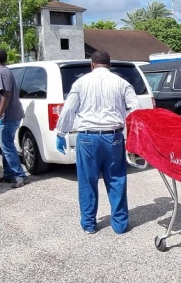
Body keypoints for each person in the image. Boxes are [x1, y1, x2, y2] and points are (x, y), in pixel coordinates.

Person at [55, 51, 140, 234]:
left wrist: (61, 133)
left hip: (87, 138)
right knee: (116, 179)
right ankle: (120, 225)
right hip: (114, 137)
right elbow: (136, 109)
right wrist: (134, 134)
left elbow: (68, 110)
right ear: (109, 65)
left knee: (87, 181)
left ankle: (89, 224)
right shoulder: (122, 83)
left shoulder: (80, 83)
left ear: (92, 64)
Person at [0, 48, 27, 189]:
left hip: (7, 117)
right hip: (6, 116)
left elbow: (5, 95)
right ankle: (9, 174)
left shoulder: (2, 72)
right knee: (5, 145)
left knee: (7, 146)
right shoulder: (1, 72)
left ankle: (20, 176)